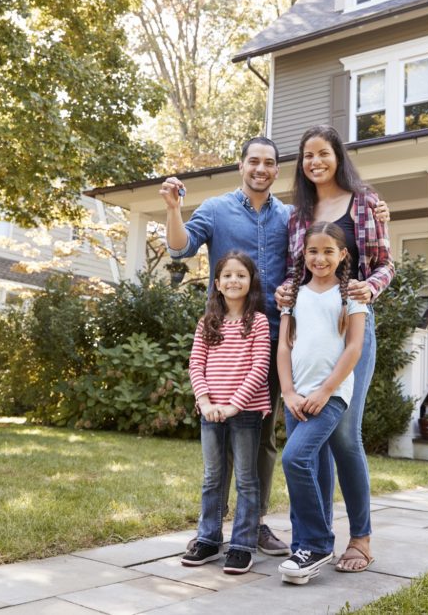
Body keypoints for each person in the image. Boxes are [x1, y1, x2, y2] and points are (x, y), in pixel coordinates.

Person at [162, 137, 292, 556]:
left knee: (263, 440)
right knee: (220, 439)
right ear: (241, 166)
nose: (261, 168)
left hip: (274, 342)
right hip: (225, 343)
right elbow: (179, 248)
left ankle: (253, 525)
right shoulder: (217, 209)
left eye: (269, 163)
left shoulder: (289, 217)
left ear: (276, 170)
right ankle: (211, 530)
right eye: (254, 161)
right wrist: (172, 209)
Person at [275, 124, 394, 574]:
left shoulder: (364, 201)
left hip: (351, 323)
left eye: (322, 153)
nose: (315, 162)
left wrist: (368, 289)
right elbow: (294, 270)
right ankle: (316, 539)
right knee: (313, 439)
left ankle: (360, 538)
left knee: (345, 435)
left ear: (337, 156)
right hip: (309, 328)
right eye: (307, 156)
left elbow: (385, 264)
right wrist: (286, 295)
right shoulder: (297, 213)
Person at [276, 221, 367, 585]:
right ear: (304, 253)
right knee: (306, 465)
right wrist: (288, 392)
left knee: (294, 458)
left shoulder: (352, 296)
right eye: (313, 250)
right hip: (296, 395)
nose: (320, 257)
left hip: (329, 396)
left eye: (329, 251)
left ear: (342, 255)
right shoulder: (292, 295)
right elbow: (284, 347)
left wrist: (326, 390)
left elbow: (355, 348)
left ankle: (317, 543)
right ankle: (304, 548)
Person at [181, 251, 272, 574]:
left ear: (251, 282)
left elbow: (261, 366)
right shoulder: (208, 322)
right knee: (212, 478)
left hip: (244, 411)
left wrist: (236, 403)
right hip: (211, 410)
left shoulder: (258, 322)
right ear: (217, 284)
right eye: (228, 276)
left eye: (241, 275)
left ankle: (243, 545)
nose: (234, 280)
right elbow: (196, 364)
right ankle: (207, 539)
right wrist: (205, 402)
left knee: (246, 480)